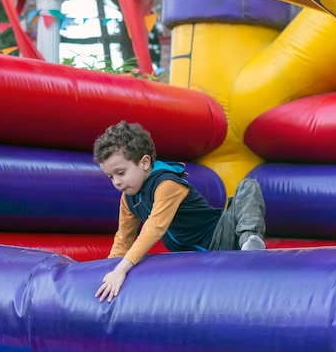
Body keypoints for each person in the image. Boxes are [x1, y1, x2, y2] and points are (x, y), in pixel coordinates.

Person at [93, 121, 266, 303]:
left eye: (121, 173)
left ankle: (249, 241)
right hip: (192, 256)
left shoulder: (167, 184)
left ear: (144, 162)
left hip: (221, 235)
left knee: (248, 185)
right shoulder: (129, 198)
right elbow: (123, 238)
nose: (116, 182)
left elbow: (154, 228)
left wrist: (122, 268)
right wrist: (108, 269)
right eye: (111, 176)